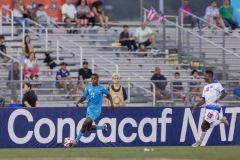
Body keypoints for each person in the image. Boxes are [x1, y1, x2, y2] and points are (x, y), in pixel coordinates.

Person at [73, 73, 114, 146]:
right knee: (88, 128)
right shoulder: (88, 87)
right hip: (89, 110)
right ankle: (103, 127)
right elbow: (84, 97)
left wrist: (112, 104)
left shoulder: (101, 88)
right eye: (91, 78)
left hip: (96, 110)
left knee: (84, 123)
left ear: (97, 79)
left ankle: (76, 141)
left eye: (94, 79)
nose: (92, 80)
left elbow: (109, 95)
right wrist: (78, 102)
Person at [191, 70, 229, 147]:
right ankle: (221, 120)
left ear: (208, 76)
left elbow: (224, 93)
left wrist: (218, 99)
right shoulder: (205, 87)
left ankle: (199, 141)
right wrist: (196, 106)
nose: (203, 78)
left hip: (214, 108)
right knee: (209, 124)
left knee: (204, 125)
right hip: (208, 108)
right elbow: (203, 100)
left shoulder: (217, 84)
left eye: (204, 76)